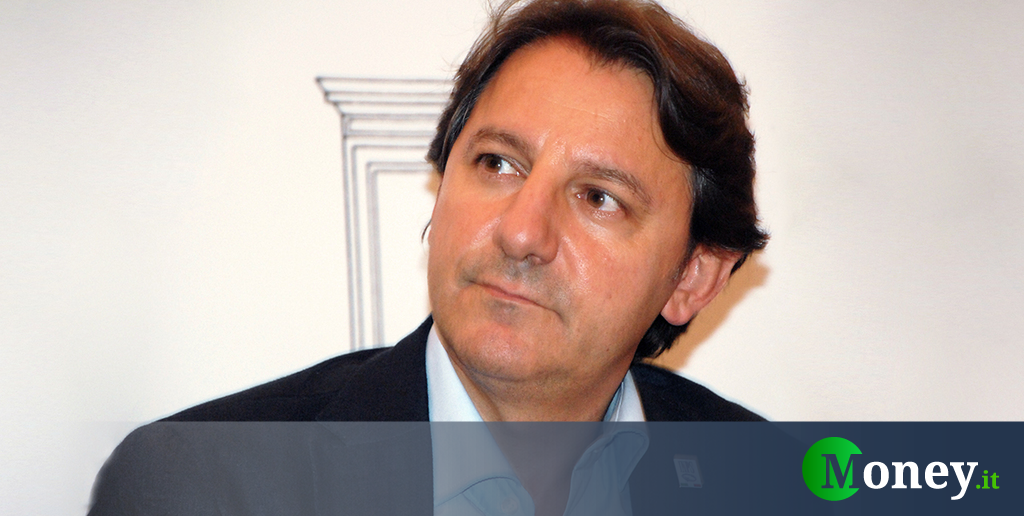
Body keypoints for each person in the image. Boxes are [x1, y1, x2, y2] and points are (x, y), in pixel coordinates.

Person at [90, 0, 777, 513]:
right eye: (498, 163)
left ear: (692, 277)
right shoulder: (197, 485)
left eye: (599, 198)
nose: (521, 233)